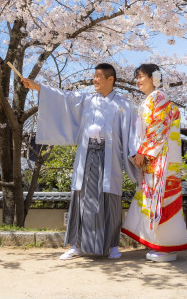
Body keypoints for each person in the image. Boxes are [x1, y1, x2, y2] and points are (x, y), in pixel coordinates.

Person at [20, 63, 138, 260]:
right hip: (88, 154)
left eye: (99, 76)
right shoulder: (86, 100)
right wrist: (38, 87)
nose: (95, 80)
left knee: (110, 198)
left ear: (111, 79)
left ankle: (112, 245)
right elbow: (64, 97)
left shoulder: (123, 104)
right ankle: (77, 245)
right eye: (94, 76)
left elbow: (132, 134)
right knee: (82, 196)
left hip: (110, 157)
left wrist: (135, 153)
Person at [121, 63, 187, 262]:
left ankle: (165, 247)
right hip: (158, 157)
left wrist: (142, 151)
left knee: (162, 198)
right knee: (156, 199)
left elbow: (158, 128)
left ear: (154, 78)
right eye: (137, 77)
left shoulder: (159, 98)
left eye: (141, 76)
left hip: (162, 158)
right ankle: (161, 245)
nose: (138, 81)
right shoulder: (152, 99)